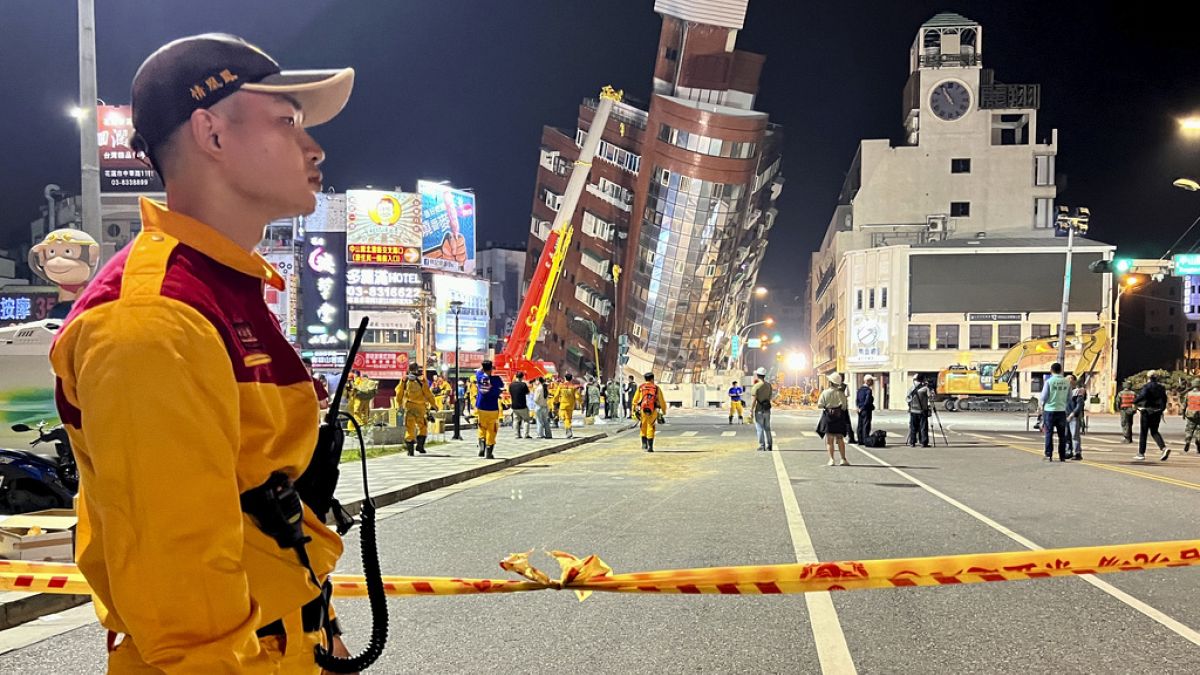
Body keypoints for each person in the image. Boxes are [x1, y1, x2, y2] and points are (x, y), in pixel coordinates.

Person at [47, 33, 357, 671]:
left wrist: (319, 622)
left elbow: (260, 505)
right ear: (211, 134)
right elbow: (180, 593)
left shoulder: (220, 290)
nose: (314, 146)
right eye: (288, 121)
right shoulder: (153, 320)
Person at [396, 362, 438, 456]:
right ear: (416, 369)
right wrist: (434, 405)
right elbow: (428, 394)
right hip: (420, 407)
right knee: (422, 426)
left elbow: (399, 392)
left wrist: (399, 404)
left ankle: (410, 451)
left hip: (409, 407)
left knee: (409, 427)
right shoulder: (422, 380)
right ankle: (420, 446)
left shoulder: (404, 379)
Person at [1133, 371, 1170, 461]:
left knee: (1144, 433)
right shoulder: (1161, 387)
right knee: (1154, 431)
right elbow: (1164, 399)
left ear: (1148, 377)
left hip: (1147, 411)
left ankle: (1141, 453)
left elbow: (1142, 395)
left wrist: (1134, 401)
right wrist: (1161, 409)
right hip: (1157, 412)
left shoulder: (1147, 386)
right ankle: (1163, 448)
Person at [1038, 362, 1071, 461]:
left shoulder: (1049, 381)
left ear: (1051, 371)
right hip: (1061, 411)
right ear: (1061, 370)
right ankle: (1062, 456)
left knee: (1049, 433)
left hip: (1049, 411)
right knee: (1062, 435)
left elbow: (1043, 397)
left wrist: (1041, 407)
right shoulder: (1067, 382)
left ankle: (1049, 455)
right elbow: (1069, 398)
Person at [818, 373, 851, 466]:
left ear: (830, 382)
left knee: (829, 440)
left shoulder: (825, 393)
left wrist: (827, 406)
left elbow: (819, 405)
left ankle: (831, 459)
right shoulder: (841, 394)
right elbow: (844, 407)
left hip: (828, 417)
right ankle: (843, 459)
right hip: (839, 418)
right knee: (840, 439)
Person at [475, 360, 504, 458]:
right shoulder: (496, 380)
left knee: (481, 426)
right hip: (492, 408)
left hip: (481, 407)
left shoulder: (479, 377)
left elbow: (478, 371)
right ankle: (489, 451)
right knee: (492, 429)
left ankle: (482, 445)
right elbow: (501, 387)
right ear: (491, 368)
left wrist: (483, 368)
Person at [632, 372, 667, 451]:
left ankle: (644, 444)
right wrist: (664, 411)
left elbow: (635, 400)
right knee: (650, 426)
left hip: (642, 410)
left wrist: (633, 411)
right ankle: (650, 446)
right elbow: (661, 401)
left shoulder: (641, 387)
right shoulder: (656, 388)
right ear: (652, 379)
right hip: (653, 410)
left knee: (643, 425)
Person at [749, 367, 774, 452]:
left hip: (759, 410)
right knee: (767, 428)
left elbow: (754, 400)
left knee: (759, 428)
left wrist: (751, 410)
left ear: (757, 375)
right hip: (767, 410)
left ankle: (762, 445)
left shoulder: (756, 387)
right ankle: (769, 445)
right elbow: (770, 397)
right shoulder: (769, 386)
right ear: (764, 375)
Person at [906, 374, 931, 447]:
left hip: (913, 410)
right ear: (923, 379)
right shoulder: (925, 388)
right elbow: (931, 397)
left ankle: (912, 442)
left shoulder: (911, 388)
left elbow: (907, 399)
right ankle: (923, 442)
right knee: (923, 427)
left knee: (913, 427)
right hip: (922, 411)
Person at [1066, 376, 1086, 461]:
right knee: (1066, 435)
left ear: (1074, 381)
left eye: (1071, 379)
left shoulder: (1078, 392)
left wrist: (1073, 414)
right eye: (1067, 379)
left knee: (1074, 435)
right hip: (1065, 416)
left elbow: (1080, 405)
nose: (1069, 381)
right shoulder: (1064, 392)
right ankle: (1068, 451)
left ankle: (1077, 453)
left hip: (1074, 416)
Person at [554, 373, 581, 438]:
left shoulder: (561, 386)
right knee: (568, 418)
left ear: (565, 378)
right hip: (570, 405)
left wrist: (555, 401)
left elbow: (556, 395)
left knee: (563, 418)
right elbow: (577, 396)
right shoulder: (573, 387)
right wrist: (580, 402)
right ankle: (568, 429)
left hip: (563, 405)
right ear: (571, 379)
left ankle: (568, 430)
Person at [508, 371, 533, 439]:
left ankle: (517, 435)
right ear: (522, 377)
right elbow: (527, 392)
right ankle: (526, 434)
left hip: (514, 406)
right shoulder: (523, 384)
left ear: (516, 376)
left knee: (516, 420)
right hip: (522, 405)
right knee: (526, 420)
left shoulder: (511, 385)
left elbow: (509, 392)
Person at [1182, 378, 1200, 454]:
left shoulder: (1188, 394)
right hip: (1199, 415)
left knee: (1189, 429)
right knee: (1198, 431)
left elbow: (1184, 405)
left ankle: (1188, 440)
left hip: (1190, 415)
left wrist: (1183, 414)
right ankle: (1198, 446)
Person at [855, 375, 875, 445]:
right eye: (871, 381)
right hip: (866, 410)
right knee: (866, 425)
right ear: (867, 381)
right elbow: (867, 401)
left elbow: (857, 400)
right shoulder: (868, 390)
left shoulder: (859, 389)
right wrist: (863, 408)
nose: (872, 382)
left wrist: (858, 408)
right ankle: (865, 439)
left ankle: (860, 439)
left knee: (860, 424)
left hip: (860, 409)